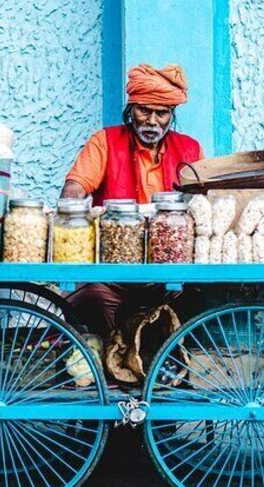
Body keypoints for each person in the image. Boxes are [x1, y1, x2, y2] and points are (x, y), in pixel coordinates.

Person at [62, 63, 204, 338]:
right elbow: (73, 189)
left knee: (204, 293)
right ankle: (109, 363)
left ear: (172, 114)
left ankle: (165, 363)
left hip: (167, 275)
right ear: (131, 110)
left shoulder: (190, 148)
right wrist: (73, 207)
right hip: (112, 273)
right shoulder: (105, 142)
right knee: (91, 296)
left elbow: (203, 204)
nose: (152, 121)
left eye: (162, 113)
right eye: (144, 110)